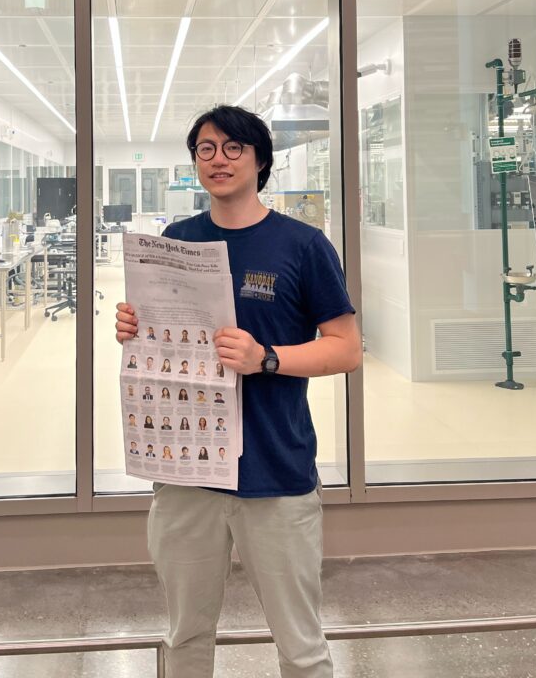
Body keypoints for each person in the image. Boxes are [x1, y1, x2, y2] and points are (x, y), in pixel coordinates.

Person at [116, 104, 360, 678]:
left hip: (274, 471)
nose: (218, 159)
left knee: (300, 645)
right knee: (185, 636)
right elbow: (165, 339)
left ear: (260, 160)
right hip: (186, 475)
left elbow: (346, 347)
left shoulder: (301, 245)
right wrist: (134, 329)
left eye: (233, 148)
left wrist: (267, 358)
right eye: (205, 148)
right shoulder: (177, 240)